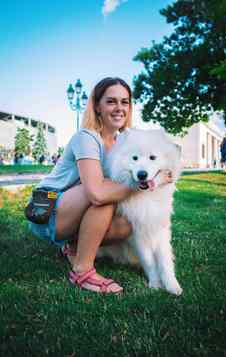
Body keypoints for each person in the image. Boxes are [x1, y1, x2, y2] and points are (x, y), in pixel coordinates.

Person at [28, 77, 172, 294]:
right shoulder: (86, 137)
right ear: (97, 106)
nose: (119, 108)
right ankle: (82, 271)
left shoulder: (122, 142)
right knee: (104, 196)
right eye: (111, 101)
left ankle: (73, 246)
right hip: (46, 210)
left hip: (73, 210)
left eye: (125, 102)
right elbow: (97, 194)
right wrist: (150, 184)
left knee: (127, 224)